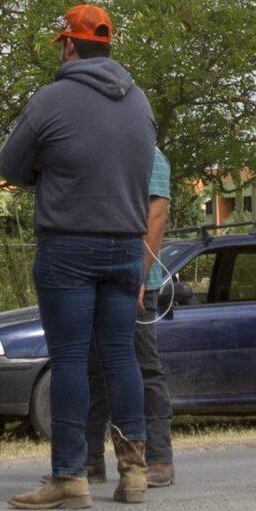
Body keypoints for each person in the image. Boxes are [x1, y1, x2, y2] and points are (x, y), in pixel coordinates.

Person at [0, 4, 156, 509]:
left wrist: (45, 166)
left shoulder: (52, 99)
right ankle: (134, 473)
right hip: (127, 243)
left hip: (68, 243)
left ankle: (69, 476)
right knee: (119, 354)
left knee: (68, 359)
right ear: (107, 47)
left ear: (69, 44)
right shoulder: (140, 103)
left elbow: (9, 166)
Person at [86, 145, 175, 487]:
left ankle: (158, 459)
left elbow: (156, 215)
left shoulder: (149, 154)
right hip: (98, 279)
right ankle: (88, 461)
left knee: (144, 367)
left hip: (136, 284)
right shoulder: (101, 150)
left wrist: (139, 274)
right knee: (91, 370)